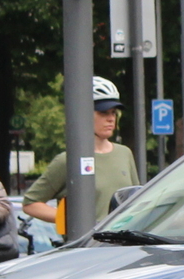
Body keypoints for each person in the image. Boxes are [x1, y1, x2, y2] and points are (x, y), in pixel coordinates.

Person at [21, 77, 139, 218]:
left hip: (123, 239)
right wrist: (70, 220)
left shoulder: (124, 153)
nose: (111, 118)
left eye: (113, 112)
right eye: (103, 113)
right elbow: (31, 204)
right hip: (88, 240)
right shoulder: (67, 160)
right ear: (83, 114)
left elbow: (135, 200)